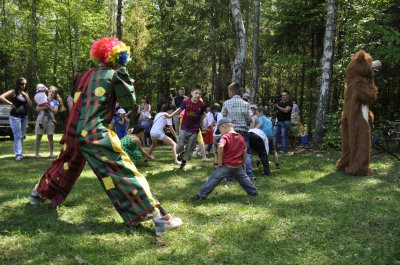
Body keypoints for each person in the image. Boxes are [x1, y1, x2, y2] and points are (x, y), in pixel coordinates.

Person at [29, 37, 182, 236]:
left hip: (74, 132)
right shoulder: (115, 74)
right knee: (123, 173)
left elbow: (77, 102)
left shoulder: (82, 76)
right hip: (95, 133)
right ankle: (160, 217)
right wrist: (124, 74)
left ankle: (38, 193)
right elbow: (129, 104)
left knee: (65, 165)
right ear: (118, 56)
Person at [192, 118, 258, 200]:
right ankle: (253, 192)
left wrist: (219, 161)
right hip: (237, 165)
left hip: (226, 165)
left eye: (220, 131)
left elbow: (220, 146)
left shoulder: (225, 137)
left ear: (224, 126)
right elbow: (244, 151)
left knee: (214, 179)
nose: (220, 133)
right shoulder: (240, 137)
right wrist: (243, 163)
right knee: (244, 179)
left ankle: (201, 195)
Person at [166, 85, 206, 170]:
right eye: (196, 93)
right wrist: (170, 116)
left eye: (200, 93)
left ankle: (183, 164)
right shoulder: (186, 101)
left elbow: (202, 116)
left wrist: (202, 127)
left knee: (190, 147)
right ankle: (180, 153)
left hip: (195, 129)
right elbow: (179, 110)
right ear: (191, 93)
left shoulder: (202, 105)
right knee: (179, 146)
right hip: (184, 128)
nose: (198, 95)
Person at [221, 82, 254, 180]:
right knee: (246, 153)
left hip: (231, 132)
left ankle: (229, 177)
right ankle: (249, 175)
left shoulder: (226, 103)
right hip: (243, 131)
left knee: (229, 153)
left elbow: (224, 118)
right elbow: (250, 119)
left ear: (231, 91)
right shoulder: (246, 104)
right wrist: (245, 123)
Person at [0, 77, 32, 160]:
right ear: (18, 84)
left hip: (24, 117)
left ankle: (20, 153)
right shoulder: (14, 91)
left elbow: (30, 104)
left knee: (22, 135)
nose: (23, 85)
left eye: (25, 84)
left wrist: (26, 96)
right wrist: (10, 103)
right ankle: (18, 155)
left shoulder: (25, 93)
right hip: (15, 117)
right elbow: (1, 97)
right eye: (22, 84)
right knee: (17, 135)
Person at [35, 85, 65, 159]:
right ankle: (36, 154)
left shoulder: (55, 102)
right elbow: (37, 109)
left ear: (55, 94)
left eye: (53, 92)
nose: (51, 93)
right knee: (39, 136)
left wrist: (49, 108)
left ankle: (51, 154)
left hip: (50, 120)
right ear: (48, 91)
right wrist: (45, 107)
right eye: (51, 91)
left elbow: (55, 112)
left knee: (50, 136)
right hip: (41, 119)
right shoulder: (43, 98)